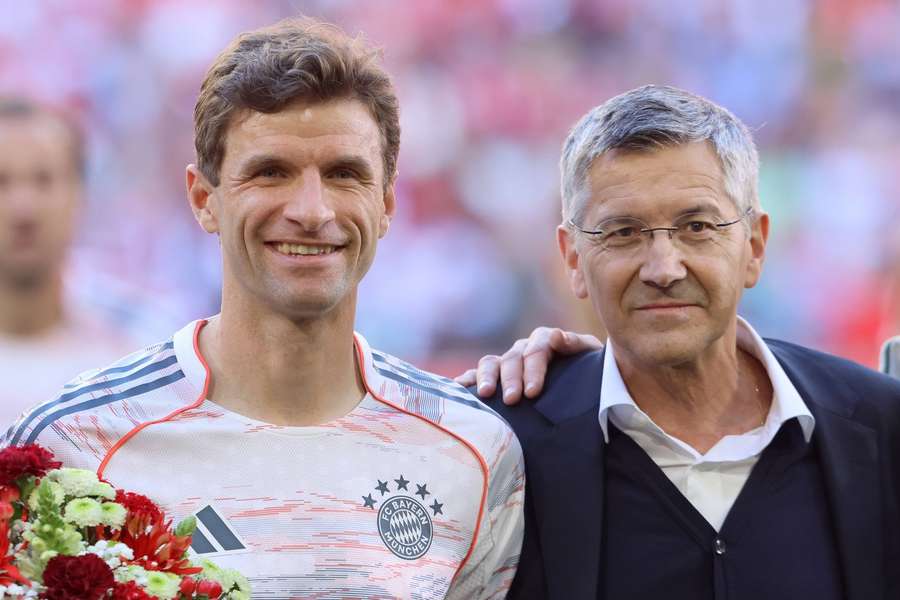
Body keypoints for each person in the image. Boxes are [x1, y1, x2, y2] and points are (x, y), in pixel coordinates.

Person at [5, 18, 524, 598]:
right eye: (270, 172)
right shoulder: (72, 444)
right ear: (204, 199)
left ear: (386, 203)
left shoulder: (475, 450)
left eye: (343, 174)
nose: (310, 209)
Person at [459, 85, 900, 599]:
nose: (663, 268)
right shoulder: (500, 445)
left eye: (696, 226)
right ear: (574, 258)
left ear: (754, 245)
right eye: (623, 232)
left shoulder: (879, 427)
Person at [0, 98, 134, 427]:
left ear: (80, 194)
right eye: (1, 182)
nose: (24, 208)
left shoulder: (138, 348)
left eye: (44, 180)